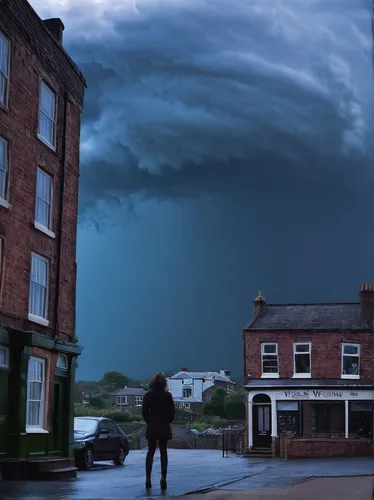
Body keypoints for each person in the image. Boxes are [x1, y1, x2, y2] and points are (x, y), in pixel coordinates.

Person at [142, 372, 175, 490]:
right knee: (163, 452)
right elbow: (172, 413)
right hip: (163, 426)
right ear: (164, 383)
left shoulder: (148, 396)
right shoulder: (168, 396)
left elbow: (144, 413)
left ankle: (148, 479)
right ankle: (163, 478)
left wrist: (150, 421)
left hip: (152, 426)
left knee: (150, 452)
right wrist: (166, 420)